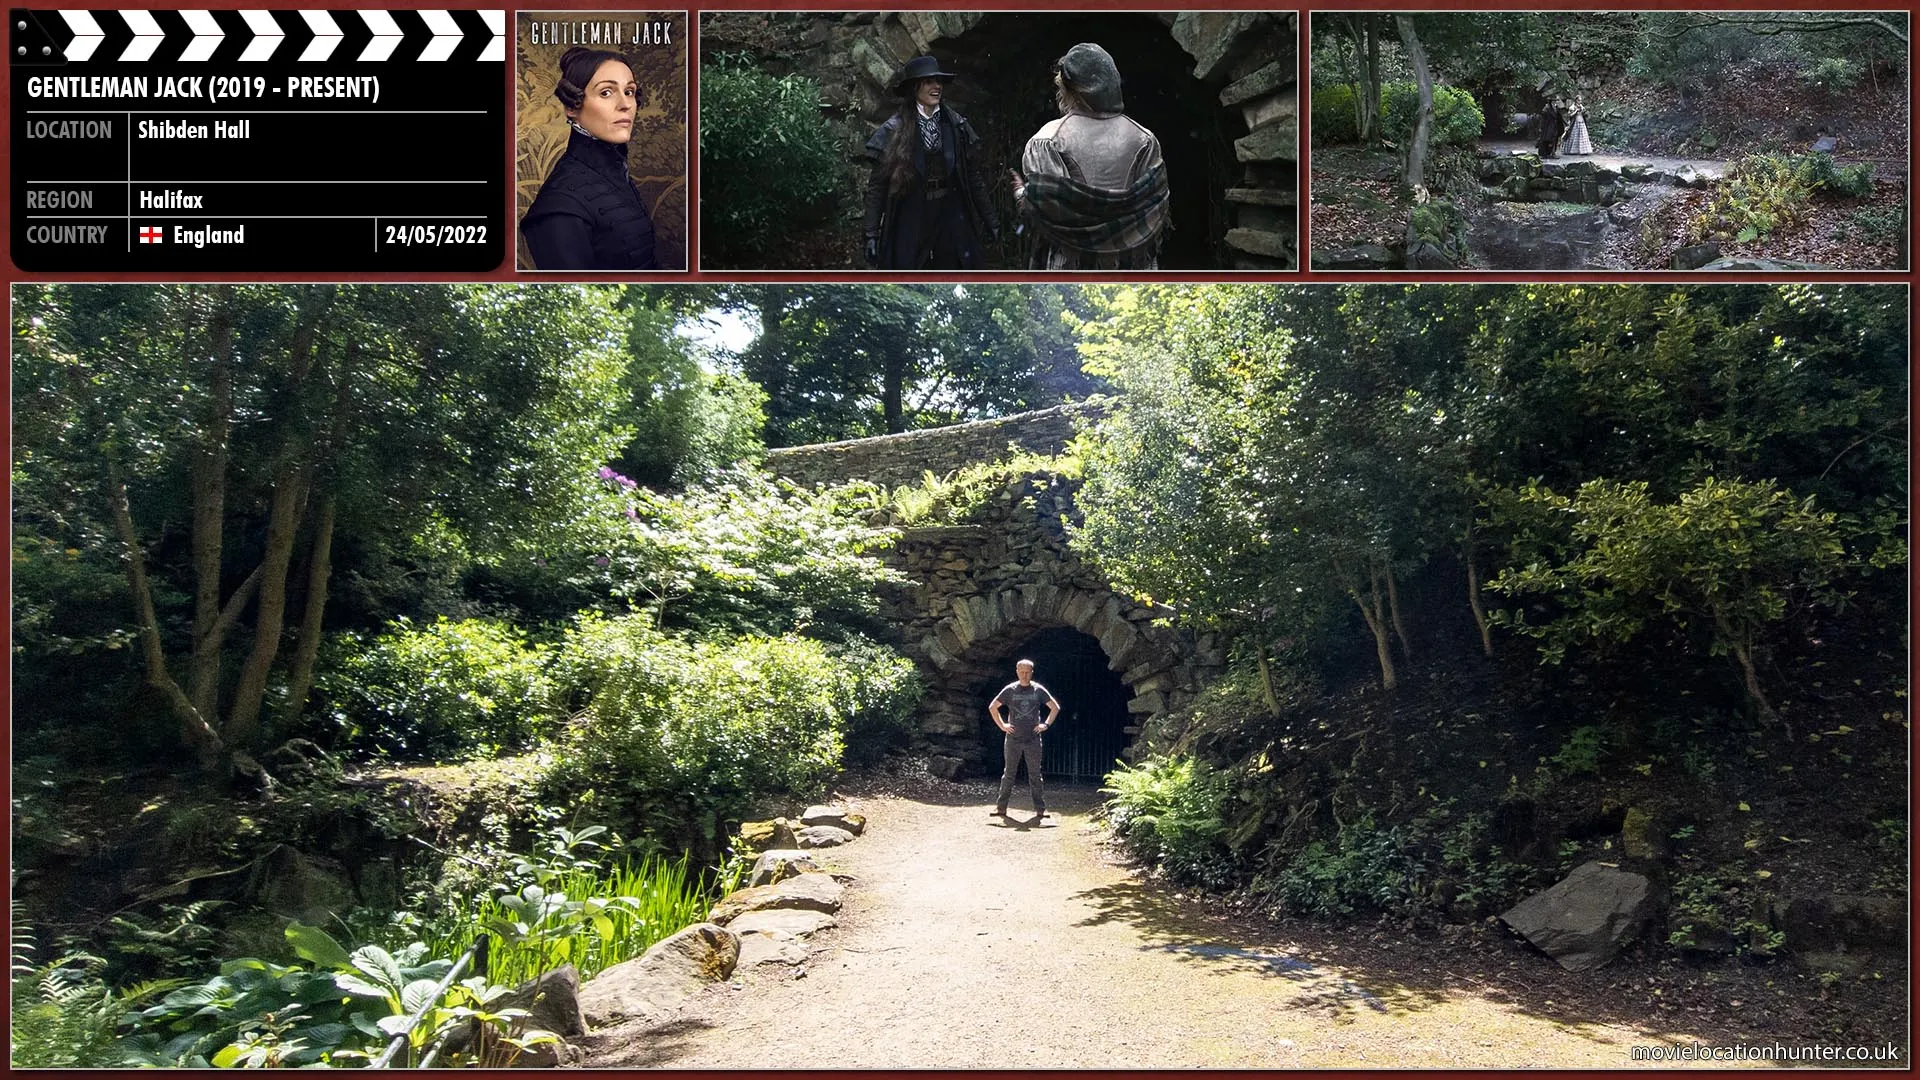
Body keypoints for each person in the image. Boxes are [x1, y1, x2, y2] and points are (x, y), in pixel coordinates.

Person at [1011, 43, 1169, 271]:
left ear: (1068, 87)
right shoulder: (1144, 138)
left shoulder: (1048, 139)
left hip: (1072, 265)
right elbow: (1155, 207)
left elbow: (1047, 210)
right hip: (1132, 265)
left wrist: (1021, 193)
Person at [521, 46, 658, 270]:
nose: (625, 104)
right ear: (572, 106)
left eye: (629, 91)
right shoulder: (558, 207)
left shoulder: (617, 175)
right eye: (606, 92)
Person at [862, 55, 997, 271]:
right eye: (928, 82)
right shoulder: (893, 130)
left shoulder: (955, 125)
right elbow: (877, 187)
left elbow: (973, 177)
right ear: (914, 87)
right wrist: (871, 234)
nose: (936, 87)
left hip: (949, 213)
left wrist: (991, 221)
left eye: (939, 82)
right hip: (911, 212)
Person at [988, 659, 1061, 819]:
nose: (1024, 675)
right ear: (1017, 671)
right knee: (1009, 774)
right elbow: (993, 707)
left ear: (1032, 672)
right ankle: (1001, 808)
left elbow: (1055, 707)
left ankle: (1040, 810)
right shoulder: (1010, 690)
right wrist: (1002, 726)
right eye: (1022, 672)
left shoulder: (1038, 690)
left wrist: (1046, 725)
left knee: (1035, 774)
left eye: (1027, 672)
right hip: (1013, 739)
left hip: (1033, 739)